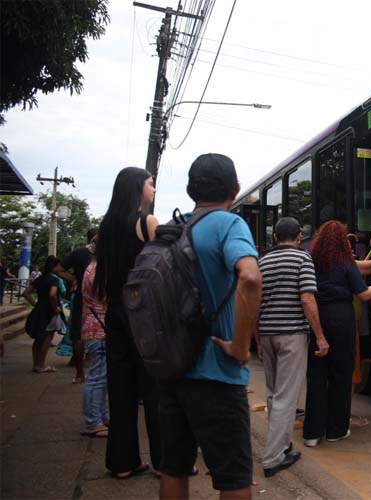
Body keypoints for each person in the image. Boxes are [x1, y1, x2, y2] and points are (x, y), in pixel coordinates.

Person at [157, 153, 261, 500]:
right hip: (217, 375)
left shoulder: (171, 230)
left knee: (173, 468)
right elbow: (250, 277)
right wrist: (240, 345)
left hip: (170, 370)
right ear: (235, 189)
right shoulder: (229, 225)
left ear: (190, 189)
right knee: (232, 478)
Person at [303, 220, 371, 447]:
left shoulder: (310, 262)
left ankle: (312, 434)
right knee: (341, 375)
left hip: (317, 318)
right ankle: (336, 430)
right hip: (342, 319)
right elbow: (364, 294)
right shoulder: (346, 264)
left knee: (316, 377)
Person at [93, 166, 161, 479]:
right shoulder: (147, 223)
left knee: (120, 389)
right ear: (138, 188)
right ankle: (166, 461)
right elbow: (161, 266)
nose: (153, 189)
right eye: (150, 184)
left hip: (115, 312)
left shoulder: (106, 226)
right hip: (143, 312)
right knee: (155, 388)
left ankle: (123, 462)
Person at [256, 217, 329, 478]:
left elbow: (255, 302)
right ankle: (273, 458)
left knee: (274, 394)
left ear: (274, 237)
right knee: (287, 397)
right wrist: (320, 336)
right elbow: (307, 298)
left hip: (267, 334)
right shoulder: (302, 259)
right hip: (291, 335)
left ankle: (283, 446)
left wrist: (257, 339)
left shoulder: (262, 261)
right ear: (299, 237)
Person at [55, 228, 98, 384]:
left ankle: (80, 373)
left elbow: (58, 269)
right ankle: (99, 370)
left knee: (78, 335)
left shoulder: (79, 253)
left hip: (82, 296)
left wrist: (74, 279)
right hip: (102, 300)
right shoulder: (109, 253)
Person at [79, 253, 109, 438]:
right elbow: (107, 296)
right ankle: (93, 422)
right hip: (100, 327)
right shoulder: (99, 270)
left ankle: (100, 416)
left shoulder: (94, 267)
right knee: (98, 376)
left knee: (102, 376)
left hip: (96, 325)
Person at [23, 256, 64, 373]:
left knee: (38, 337)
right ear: (55, 267)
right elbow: (52, 294)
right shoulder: (54, 280)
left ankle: (35, 364)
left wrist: (35, 304)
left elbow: (26, 293)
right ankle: (41, 364)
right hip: (49, 310)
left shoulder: (39, 279)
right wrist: (55, 307)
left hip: (39, 308)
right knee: (48, 336)